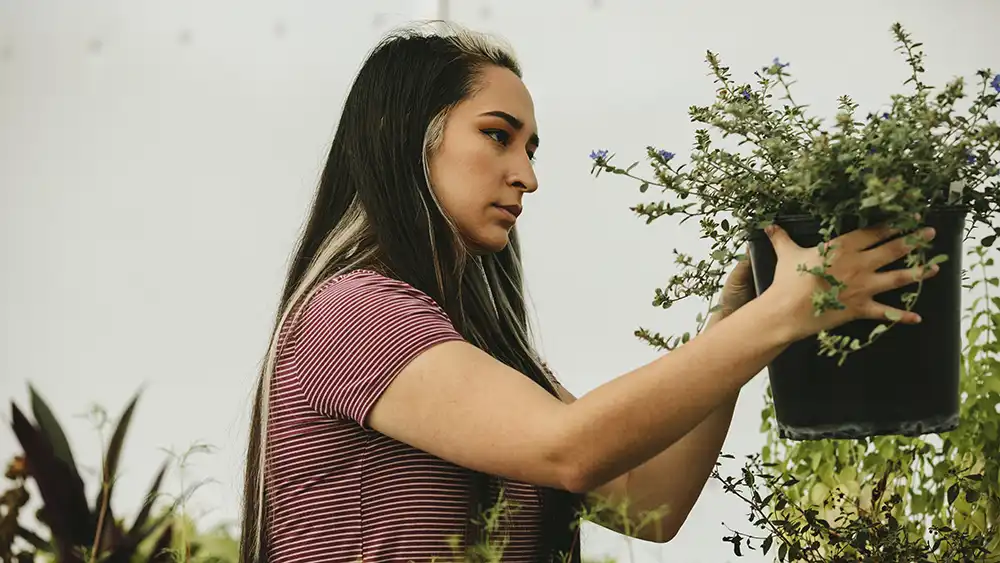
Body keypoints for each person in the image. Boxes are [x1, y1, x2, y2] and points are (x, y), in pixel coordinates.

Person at [237, 21, 939, 563]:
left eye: (531, 148)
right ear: (403, 135)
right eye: (497, 136)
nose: (527, 175)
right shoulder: (352, 312)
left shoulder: (482, 352)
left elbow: (651, 504)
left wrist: (745, 320)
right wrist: (784, 313)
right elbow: (569, 447)